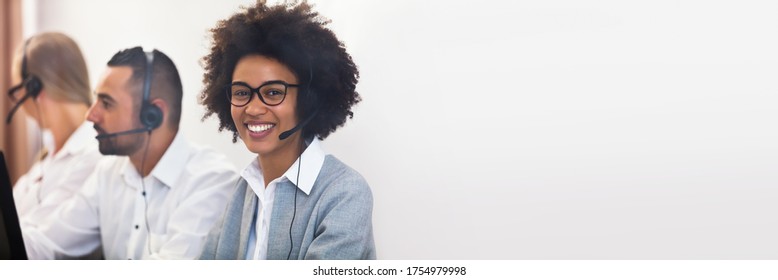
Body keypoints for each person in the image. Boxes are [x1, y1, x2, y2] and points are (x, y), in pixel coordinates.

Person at [21, 47, 238, 259]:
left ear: (152, 115)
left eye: (106, 103)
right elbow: (47, 241)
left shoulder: (211, 181)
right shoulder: (108, 174)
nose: (90, 115)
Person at [198, 1, 375, 260]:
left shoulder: (345, 192)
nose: (253, 108)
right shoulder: (242, 190)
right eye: (241, 93)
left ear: (308, 101)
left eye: (272, 92)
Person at [6, 33, 101, 234]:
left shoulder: (93, 156)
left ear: (34, 88)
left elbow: (38, 241)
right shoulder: (46, 158)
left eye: (17, 90)